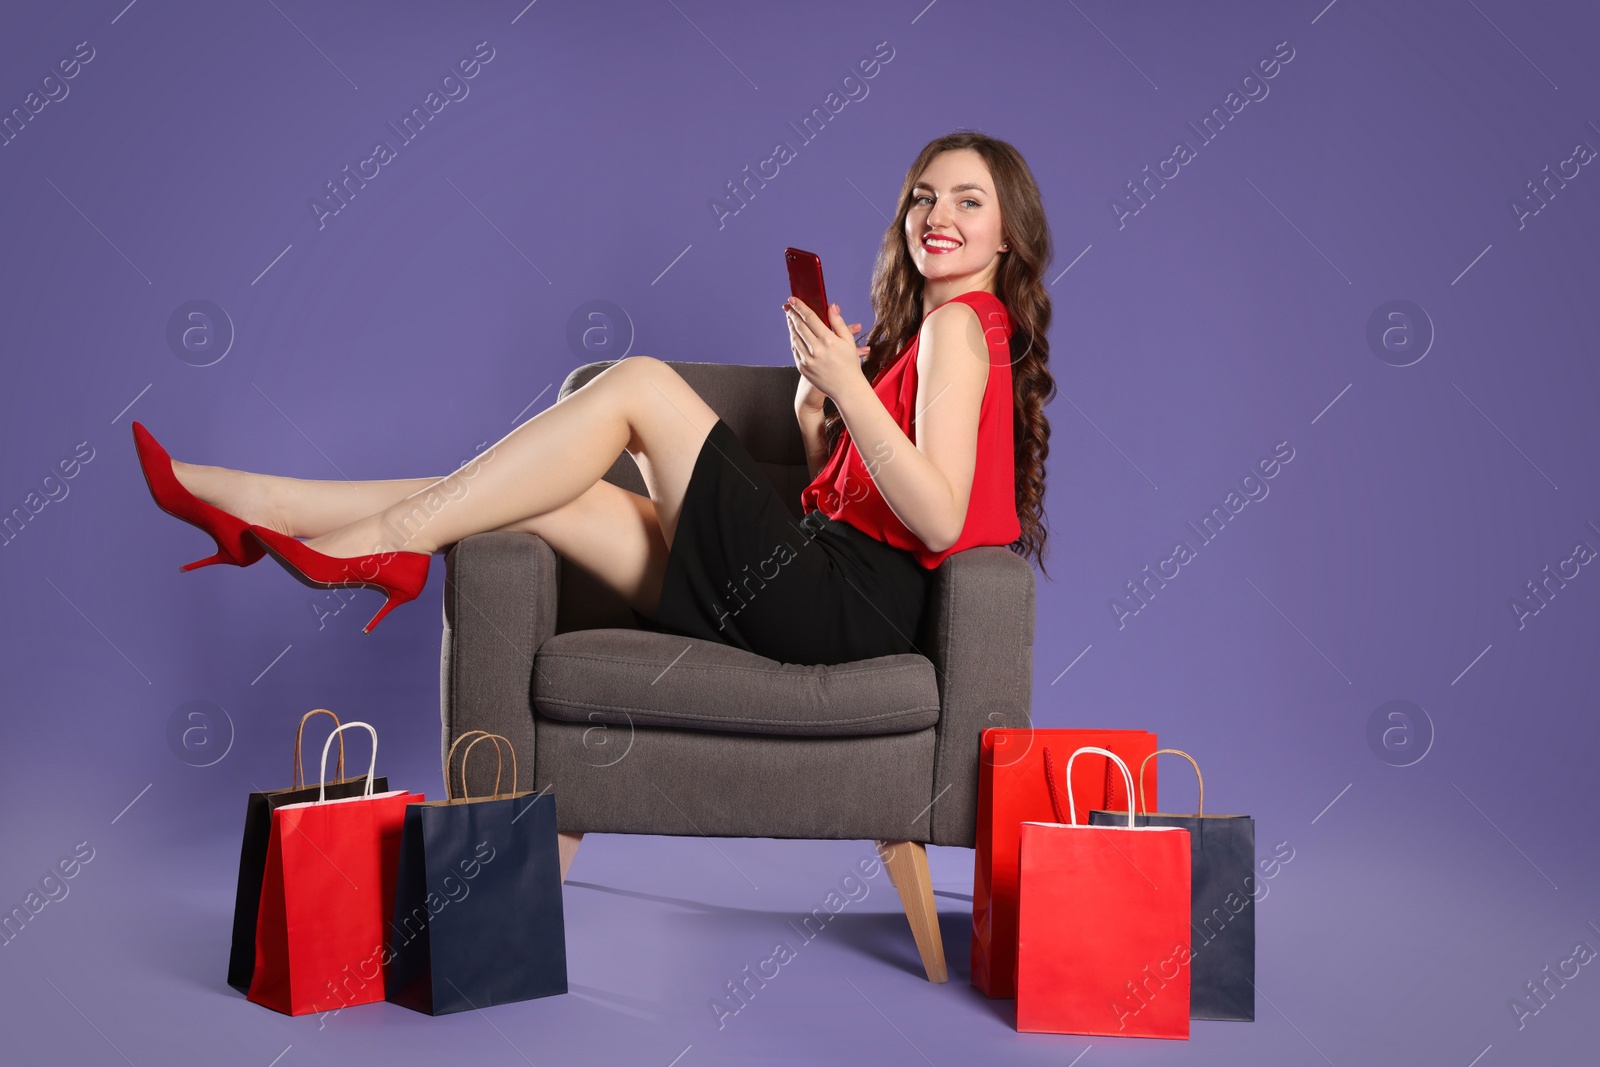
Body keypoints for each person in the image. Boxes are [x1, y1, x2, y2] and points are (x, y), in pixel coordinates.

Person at [132, 130, 1056, 664]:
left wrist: (850, 390)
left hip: (841, 611)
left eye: (969, 202)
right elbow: (873, 509)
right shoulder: (923, 338)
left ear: (1009, 235)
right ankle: (264, 508)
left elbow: (935, 524)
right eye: (923, 197)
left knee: (643, 383)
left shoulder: (960, 327)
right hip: (820, 587)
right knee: (556, 497)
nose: (938, 216)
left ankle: (380, 544)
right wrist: (823, 421)